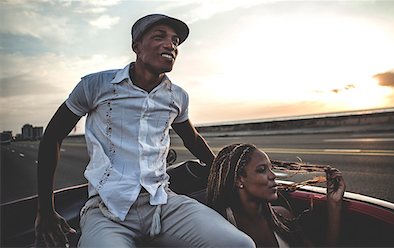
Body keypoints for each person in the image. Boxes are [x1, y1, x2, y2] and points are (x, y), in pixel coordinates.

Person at [34, 14, 255, 247]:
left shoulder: (177, 97)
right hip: (106, 211)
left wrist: (225, 176)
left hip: (163, 203)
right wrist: (46, 210)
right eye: (159, 37)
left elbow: (192, 139)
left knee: (241, 244)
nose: (171, 45)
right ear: (137, 46)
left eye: (175, 41)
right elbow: (52, 137)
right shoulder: (95, 86)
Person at [206, 143, 346, 247]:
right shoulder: (221, 227)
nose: (272, 176)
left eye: (271, 169)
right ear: (238, 180)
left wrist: (334, 204)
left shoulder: (282, 217)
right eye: (262, 170)